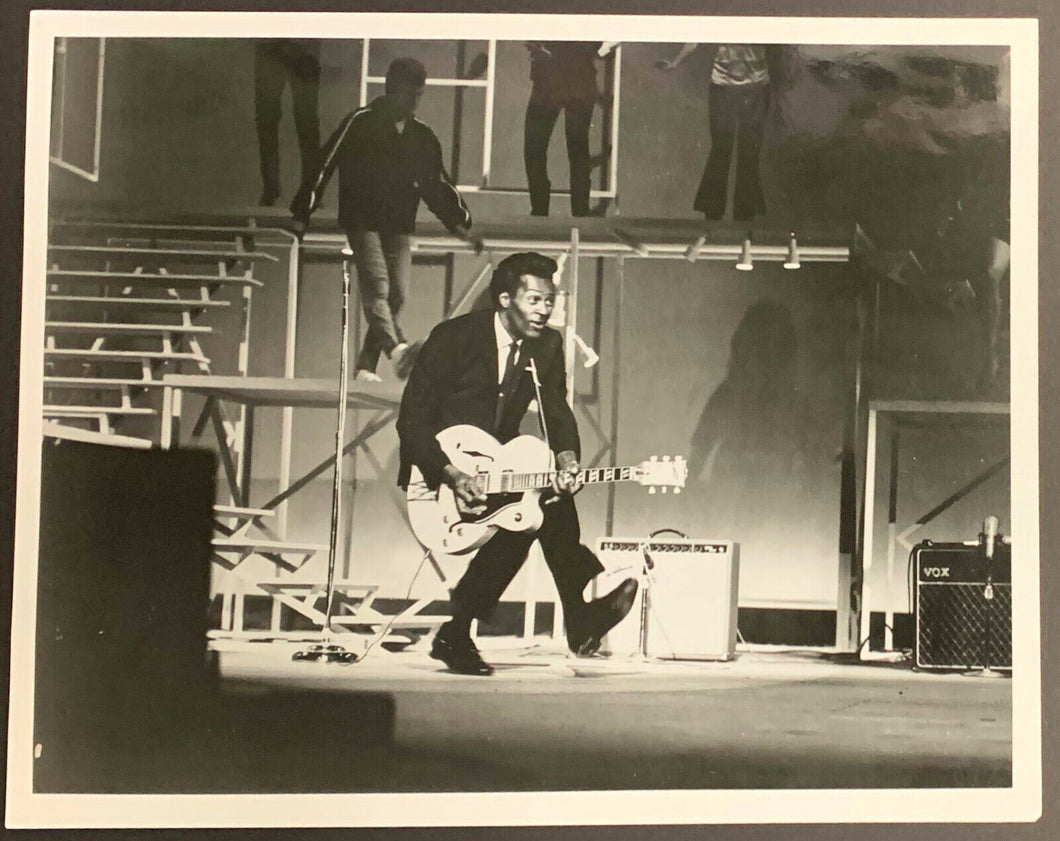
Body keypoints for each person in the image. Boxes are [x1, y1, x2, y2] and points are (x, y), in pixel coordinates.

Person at [397, 252, 638, 675]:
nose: (545, 310)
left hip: (496, 466)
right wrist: (452, 474)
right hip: (438, 476)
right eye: (535, 300)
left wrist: (567, 459)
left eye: (550, 301)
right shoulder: (454, 337)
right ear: (505, 299)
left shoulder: (546, 346)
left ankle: (561, 618)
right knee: (528, 516)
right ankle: (573, 617)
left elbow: (557, 412)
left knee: (539, 507)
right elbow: (411, 420)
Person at [291, 58, 475, 382]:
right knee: (378, 285)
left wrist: (460, 221)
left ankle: (366, 364)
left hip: (398, 226)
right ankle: (397, 350)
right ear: (391, 89)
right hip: (362, 222)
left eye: (419, 95)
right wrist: (303, 213)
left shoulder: (422, 136)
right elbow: (325, 162)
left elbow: (437, 185)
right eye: (408, 94)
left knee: (398, 293)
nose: (413, 102)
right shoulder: (360, 121)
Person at [658, 44, 783, 222]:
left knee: (749, 154)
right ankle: (713, 219)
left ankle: (744, 221)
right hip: (723, 87)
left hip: (756, 89)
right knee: (720, 152)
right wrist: (676, 62)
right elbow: (699, 31)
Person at [523, 42, 613, 217]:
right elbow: (601, 48)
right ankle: (578, 213)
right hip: (574, 80)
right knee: (577, 150)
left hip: (555, 80)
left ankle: (543, 211)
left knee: (538, 149)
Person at [253, 39, 322, 207]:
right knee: (271, 119)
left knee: (305, 121)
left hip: (289, 43)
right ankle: (276, 189)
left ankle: (305, 189)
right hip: (279, 43)